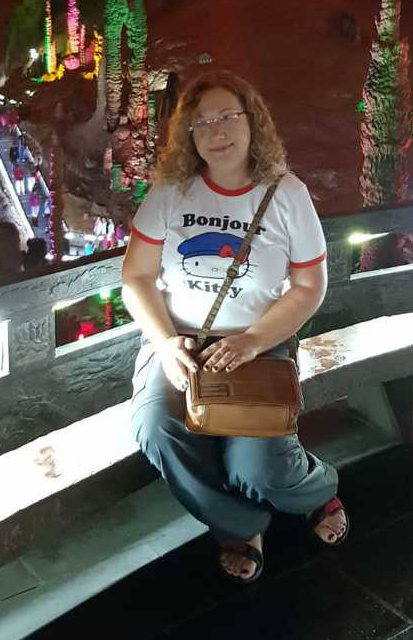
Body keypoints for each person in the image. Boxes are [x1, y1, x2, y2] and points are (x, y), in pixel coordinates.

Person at [122, 71, 348, 584]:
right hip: (179, 339)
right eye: (201, 122)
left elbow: (309, 285)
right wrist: (165, 343)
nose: (215, 130)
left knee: (258, 469)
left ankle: (314, 490)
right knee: (157, 429)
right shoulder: (171, 192)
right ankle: (239, 526)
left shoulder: (286, 194)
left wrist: (254, 340)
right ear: (188, 135)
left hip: (259, 343)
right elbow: (135, 277)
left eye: (227, 116)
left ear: (253, 122)